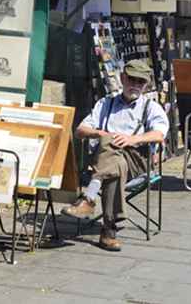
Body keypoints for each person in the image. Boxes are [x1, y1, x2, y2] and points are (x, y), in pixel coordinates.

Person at [61, 60, 169, 251]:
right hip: (109, 160)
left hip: (136, 159)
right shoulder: (106, 103)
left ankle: (89, 197)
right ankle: (109, 230)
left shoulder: (151, 107)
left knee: (110, 152)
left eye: (140, 82)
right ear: (122, 78)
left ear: (146, 85)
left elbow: (159, 135)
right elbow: (80, 130)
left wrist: (132, 139)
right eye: (131, 80)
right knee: (112, 160)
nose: (135, 85)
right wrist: (100, 134)